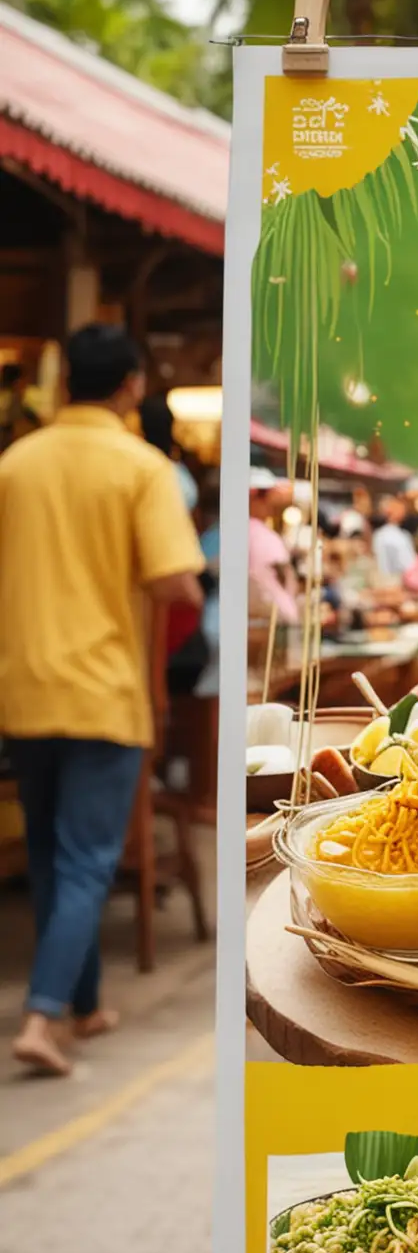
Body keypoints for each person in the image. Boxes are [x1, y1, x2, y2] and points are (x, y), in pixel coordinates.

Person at [0, 325, 204, 1077]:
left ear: (61, 387)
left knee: (54, 851)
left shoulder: (14, 464)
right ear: (131, 387)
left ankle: (83, 1005)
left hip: (23, 686)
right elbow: (177, 583)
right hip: (102, 690)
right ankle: (42, 1018)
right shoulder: (140, 466)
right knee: (88, 859)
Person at [248, 471, 299, 624]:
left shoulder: (252, 531)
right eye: (265, 497)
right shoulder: (259, 534)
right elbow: (282, 573)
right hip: (270, 620)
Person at [372, 495, 416, 584]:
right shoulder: (397, 536)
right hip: (397, 582)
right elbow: (409, 564)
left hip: (389, 581)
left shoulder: (380, 535)